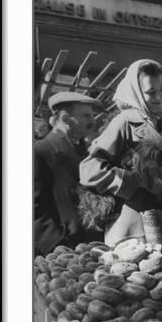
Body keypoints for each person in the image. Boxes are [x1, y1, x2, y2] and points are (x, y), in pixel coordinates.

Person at [78, 59, 162, 247]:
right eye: (150, 92)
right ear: (137, 93)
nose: (158, 97)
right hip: (132, 232)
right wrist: (136, 183)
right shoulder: (124, 122)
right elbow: (89, 169)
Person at [34, 91, 103, 255]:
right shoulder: (40, 151)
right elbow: (33, 207)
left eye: (92, 116)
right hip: (61, 252)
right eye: (86, 116)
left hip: (88, 246)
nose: (92, 121)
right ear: (65, 119)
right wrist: (57, 246)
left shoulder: (84, 152)